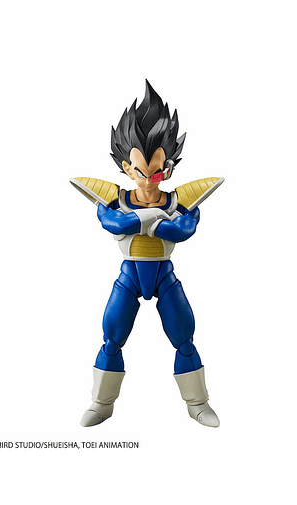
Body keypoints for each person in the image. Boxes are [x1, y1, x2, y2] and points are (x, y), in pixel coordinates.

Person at [70, 81, 224, 427]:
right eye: (143, 172)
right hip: (130, 276)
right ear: (127, 167)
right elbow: (111, 221)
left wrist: (150, 225)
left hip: (164, 275)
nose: (151, 179)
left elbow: (183, 229)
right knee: (112, 338)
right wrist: (147, 219)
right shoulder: (117, 198)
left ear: (169, 167)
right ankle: (101, 403)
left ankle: (198, 403)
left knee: (184, 338)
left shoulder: (179, 200)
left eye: (158, 171)